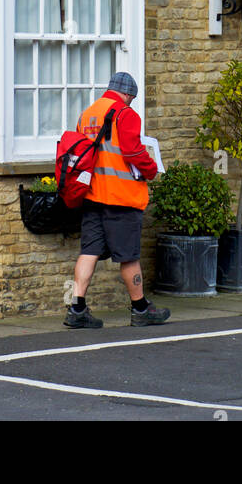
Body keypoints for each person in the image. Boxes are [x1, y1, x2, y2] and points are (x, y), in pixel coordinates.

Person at [64, 72, 171, 329]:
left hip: (92, 196)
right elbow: (133, 150)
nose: (131, 102)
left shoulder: (87, 114)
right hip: (121, 197)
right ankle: (140, 308)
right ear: (128, 95)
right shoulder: (125, 114)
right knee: (129, 256)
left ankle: (76, 309)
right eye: (131, 98)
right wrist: (151, 168)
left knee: (89, 252)